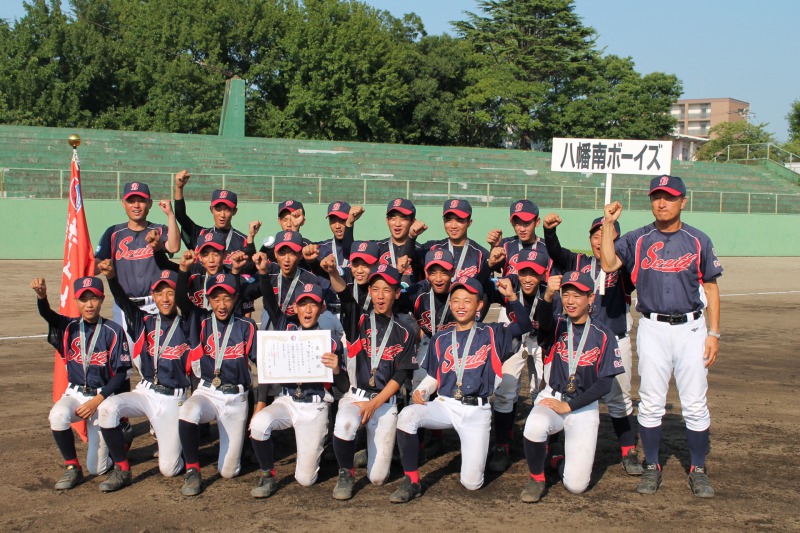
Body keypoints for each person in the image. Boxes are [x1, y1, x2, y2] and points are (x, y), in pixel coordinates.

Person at [599, 175, 722, 498]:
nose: (662, 202)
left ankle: (698, 469)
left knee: (695, 403)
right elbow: (609, 264)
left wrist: (714, 333)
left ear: (683, 201)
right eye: (656, 196)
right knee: (651, 402)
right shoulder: (638, 239)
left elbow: (711, 287)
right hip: (652, 327)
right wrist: (609, 225)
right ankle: (652, 466)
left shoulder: (698, 240)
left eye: (669, 197)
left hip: (692, 329)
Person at [390, 276, 532, 502]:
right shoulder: (441, 338)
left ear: (479, 305)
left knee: (472, 484)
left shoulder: (492, 333)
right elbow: (434, 376)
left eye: (467, 300)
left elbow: (525, 325)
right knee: (407, 415)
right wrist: (423, 390)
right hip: (446, 404)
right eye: (456, 300)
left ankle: (479, 454)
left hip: (477, 410)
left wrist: (512, 298)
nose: (461, 306)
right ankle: (412, 481)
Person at [543, 212, 643, 475]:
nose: (600, 241)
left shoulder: (623, 268)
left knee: (619, 399)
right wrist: (550, 232)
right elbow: (556, 252)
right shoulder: (578, 262)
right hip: (577, 342)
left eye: (607, 236)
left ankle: (628, 451)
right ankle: (554, 446)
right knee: (564, 392)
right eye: (596, 236)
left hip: (614, 340)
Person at [520, 271, 624, 503]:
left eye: (577, 295)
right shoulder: (557, 325)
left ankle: (556, 457)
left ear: (591, 298)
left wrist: (569, 407)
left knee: (576, 486)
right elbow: (543, 323)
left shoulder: (604, 335)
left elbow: (605, 384)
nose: (570, 301)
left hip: (583, 404)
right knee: (534, 425)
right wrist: (548, 296)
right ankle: (536, 479)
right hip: (553, 396)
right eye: (566, 295)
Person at [248, 269, 350, 498]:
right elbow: (270, 304)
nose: (308, 310)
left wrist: (336, 369)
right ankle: (267, 475)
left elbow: (344, 386)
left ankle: (316, 451)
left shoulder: (330, 340)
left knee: (305, 480)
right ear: (295, 308)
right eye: (303, 304)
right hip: (287, 400)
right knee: (259, 424)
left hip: (315, 406)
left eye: (313, 304)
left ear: (322, 308)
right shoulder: (286, 328)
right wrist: (263, 274)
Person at [321, 263, 417, 501]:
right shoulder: (359, 320)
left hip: (384, 403)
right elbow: (344, 295)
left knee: (378, 478)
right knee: (344, 423)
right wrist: (332, 272)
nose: (380, 296)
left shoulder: (405, 331)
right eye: (375, 289)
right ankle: (346, 473)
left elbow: (401, 376)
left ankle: (367, 452)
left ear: (397, 293)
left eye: (387, 290)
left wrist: (374, 405)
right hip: (356, 396)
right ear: (370, 292)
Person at [95, 263, 193, 492]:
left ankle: (178, 441)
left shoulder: (189, 324)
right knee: (108, 408)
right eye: (159, 293)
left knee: (169, 469)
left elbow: (188, 304)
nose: (165, 299)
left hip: (173, 399)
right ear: (153, 296)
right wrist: (111, 277)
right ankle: (122, 468)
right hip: (146, 391)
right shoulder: (144, 321)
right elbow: (124, 302)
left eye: (170, 292)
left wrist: (184, 271)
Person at [32, 276, 131, 489]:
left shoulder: (113, 330)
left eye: (93, 298)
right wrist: (42, 297)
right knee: (57, 415)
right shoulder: (68, 327)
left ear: (102, 299)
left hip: (102, 396)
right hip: (75, 394)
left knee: (97, 468)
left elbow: (121, 374)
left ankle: (120, 438)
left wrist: (97, 400)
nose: (89, 304)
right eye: (83, 299)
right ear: (76, 302)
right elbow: (47, 315)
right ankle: (72, 468)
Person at [176, 270, 258, 496]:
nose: (221, 305)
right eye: (216, 298)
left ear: (235, 298)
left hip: (236, 398)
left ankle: (233, 452)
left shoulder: (247, 325)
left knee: (229, 472)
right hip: (208, 391)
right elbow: (181, 298)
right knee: (188, 411)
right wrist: (183, 270)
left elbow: (261, 362)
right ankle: (193, 469)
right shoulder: (200, 320)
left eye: (227, 298)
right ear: (208, 299)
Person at [486, 248, 551, 473]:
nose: (528, 278)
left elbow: (552, 327)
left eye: (534, 273)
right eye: (524, 272)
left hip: (542, 341)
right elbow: (482, 288)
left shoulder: (549, 293)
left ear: (543, 274)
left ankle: (544, 444)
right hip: (515, 338)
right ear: (517, 272)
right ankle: (502, 444)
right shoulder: (509, 286)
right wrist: (489, 266)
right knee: (505, 390)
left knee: (541, 393)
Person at [95, 182, 180, 321]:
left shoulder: (158, 230)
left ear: (150, 203)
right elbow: (95, 267)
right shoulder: (113, 232)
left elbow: (174, 247)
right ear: (123, 204)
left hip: (155, 303)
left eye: (141, 200)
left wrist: (170, 215)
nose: (136, 205)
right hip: (124, 304)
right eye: (131, 201)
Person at [173, 169, 249, 264]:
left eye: (227, 210)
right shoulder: (200, 234)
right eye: (218, 209)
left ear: (234, 211)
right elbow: (180, 216)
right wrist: (179, 188)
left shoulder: (243, 241)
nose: (222, 215)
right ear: (211, 209)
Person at [487, 199, 551, 277]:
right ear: (512, 223)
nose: (522, 229)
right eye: (517, 223)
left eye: (526, 223)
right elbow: (492, 270)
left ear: (537, 222)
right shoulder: (505, 245)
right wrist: (494, 248)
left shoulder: (548, 248)